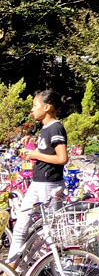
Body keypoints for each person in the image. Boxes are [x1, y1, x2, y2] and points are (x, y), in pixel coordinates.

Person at [6, 89, 70, 263]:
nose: (32, 110)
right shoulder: (46, 128)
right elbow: (47, 149)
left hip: (49, 185)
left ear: (47, 107)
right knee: (21, 226)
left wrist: (36, 155)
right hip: (38, 182)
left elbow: (62, 158)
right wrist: (34, 144)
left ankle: (62, 271)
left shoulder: (56, 127)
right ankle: (10, 270)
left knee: (52, 233)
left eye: (35, 105)